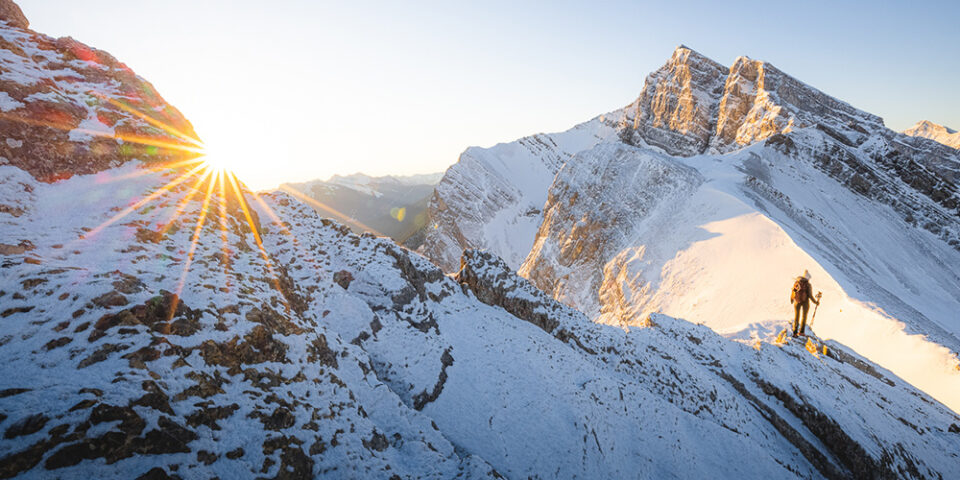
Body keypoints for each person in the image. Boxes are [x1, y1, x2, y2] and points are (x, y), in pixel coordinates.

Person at [790, 270, 819, 337]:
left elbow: (793, 291)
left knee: (796, 316)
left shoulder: (797, 282)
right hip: (805, 302)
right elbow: (810, 295)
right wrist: (816, 302)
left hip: (796, 301)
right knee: (804, 316)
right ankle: (801, 332)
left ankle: (795, 332)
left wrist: (792, 299)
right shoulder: (808, 285)